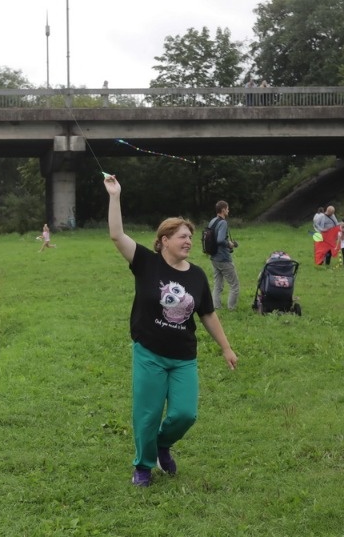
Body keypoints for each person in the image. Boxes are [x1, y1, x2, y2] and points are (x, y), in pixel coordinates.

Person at [103, 175, 237, 487]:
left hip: (183, 357)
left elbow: (208, 314)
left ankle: (162, 444)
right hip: (149, 352)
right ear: (164, 241)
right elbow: (116, 234)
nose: (188, 241)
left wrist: (226, 347)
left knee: (185, 414)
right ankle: (144, 466)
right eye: (181, 236)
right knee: (147, 415)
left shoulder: (198, 276)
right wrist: (115, 196)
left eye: (190, 236)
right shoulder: (145, 262)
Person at [207, 200, 239, 310]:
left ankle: (216, 306)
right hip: (223, 258)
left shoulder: (212, 221)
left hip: (214, 257)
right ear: (223, 210)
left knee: (218, 285)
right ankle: (232, 308)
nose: (228, 210)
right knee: (235, 285)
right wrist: (229, 243)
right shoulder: (223, 223)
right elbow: (220, 240)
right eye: (227, 208)